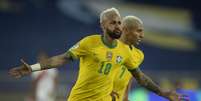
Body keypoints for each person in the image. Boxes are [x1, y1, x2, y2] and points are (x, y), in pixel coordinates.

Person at [8, 8, 186, 101]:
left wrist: (164, 93)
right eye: (113, 23)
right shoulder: (89, 43)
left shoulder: (125, 51)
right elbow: (62, 58)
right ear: (103, 25)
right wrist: (32, 68)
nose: (117, 26)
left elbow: (140, 78)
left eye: (119, 23)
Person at [112, 16, 189, 101]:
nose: (142, 36)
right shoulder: (110, 48)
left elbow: (132, 78)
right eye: (139, 31)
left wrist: (125, 98)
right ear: (125, 30)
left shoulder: (138, 55)